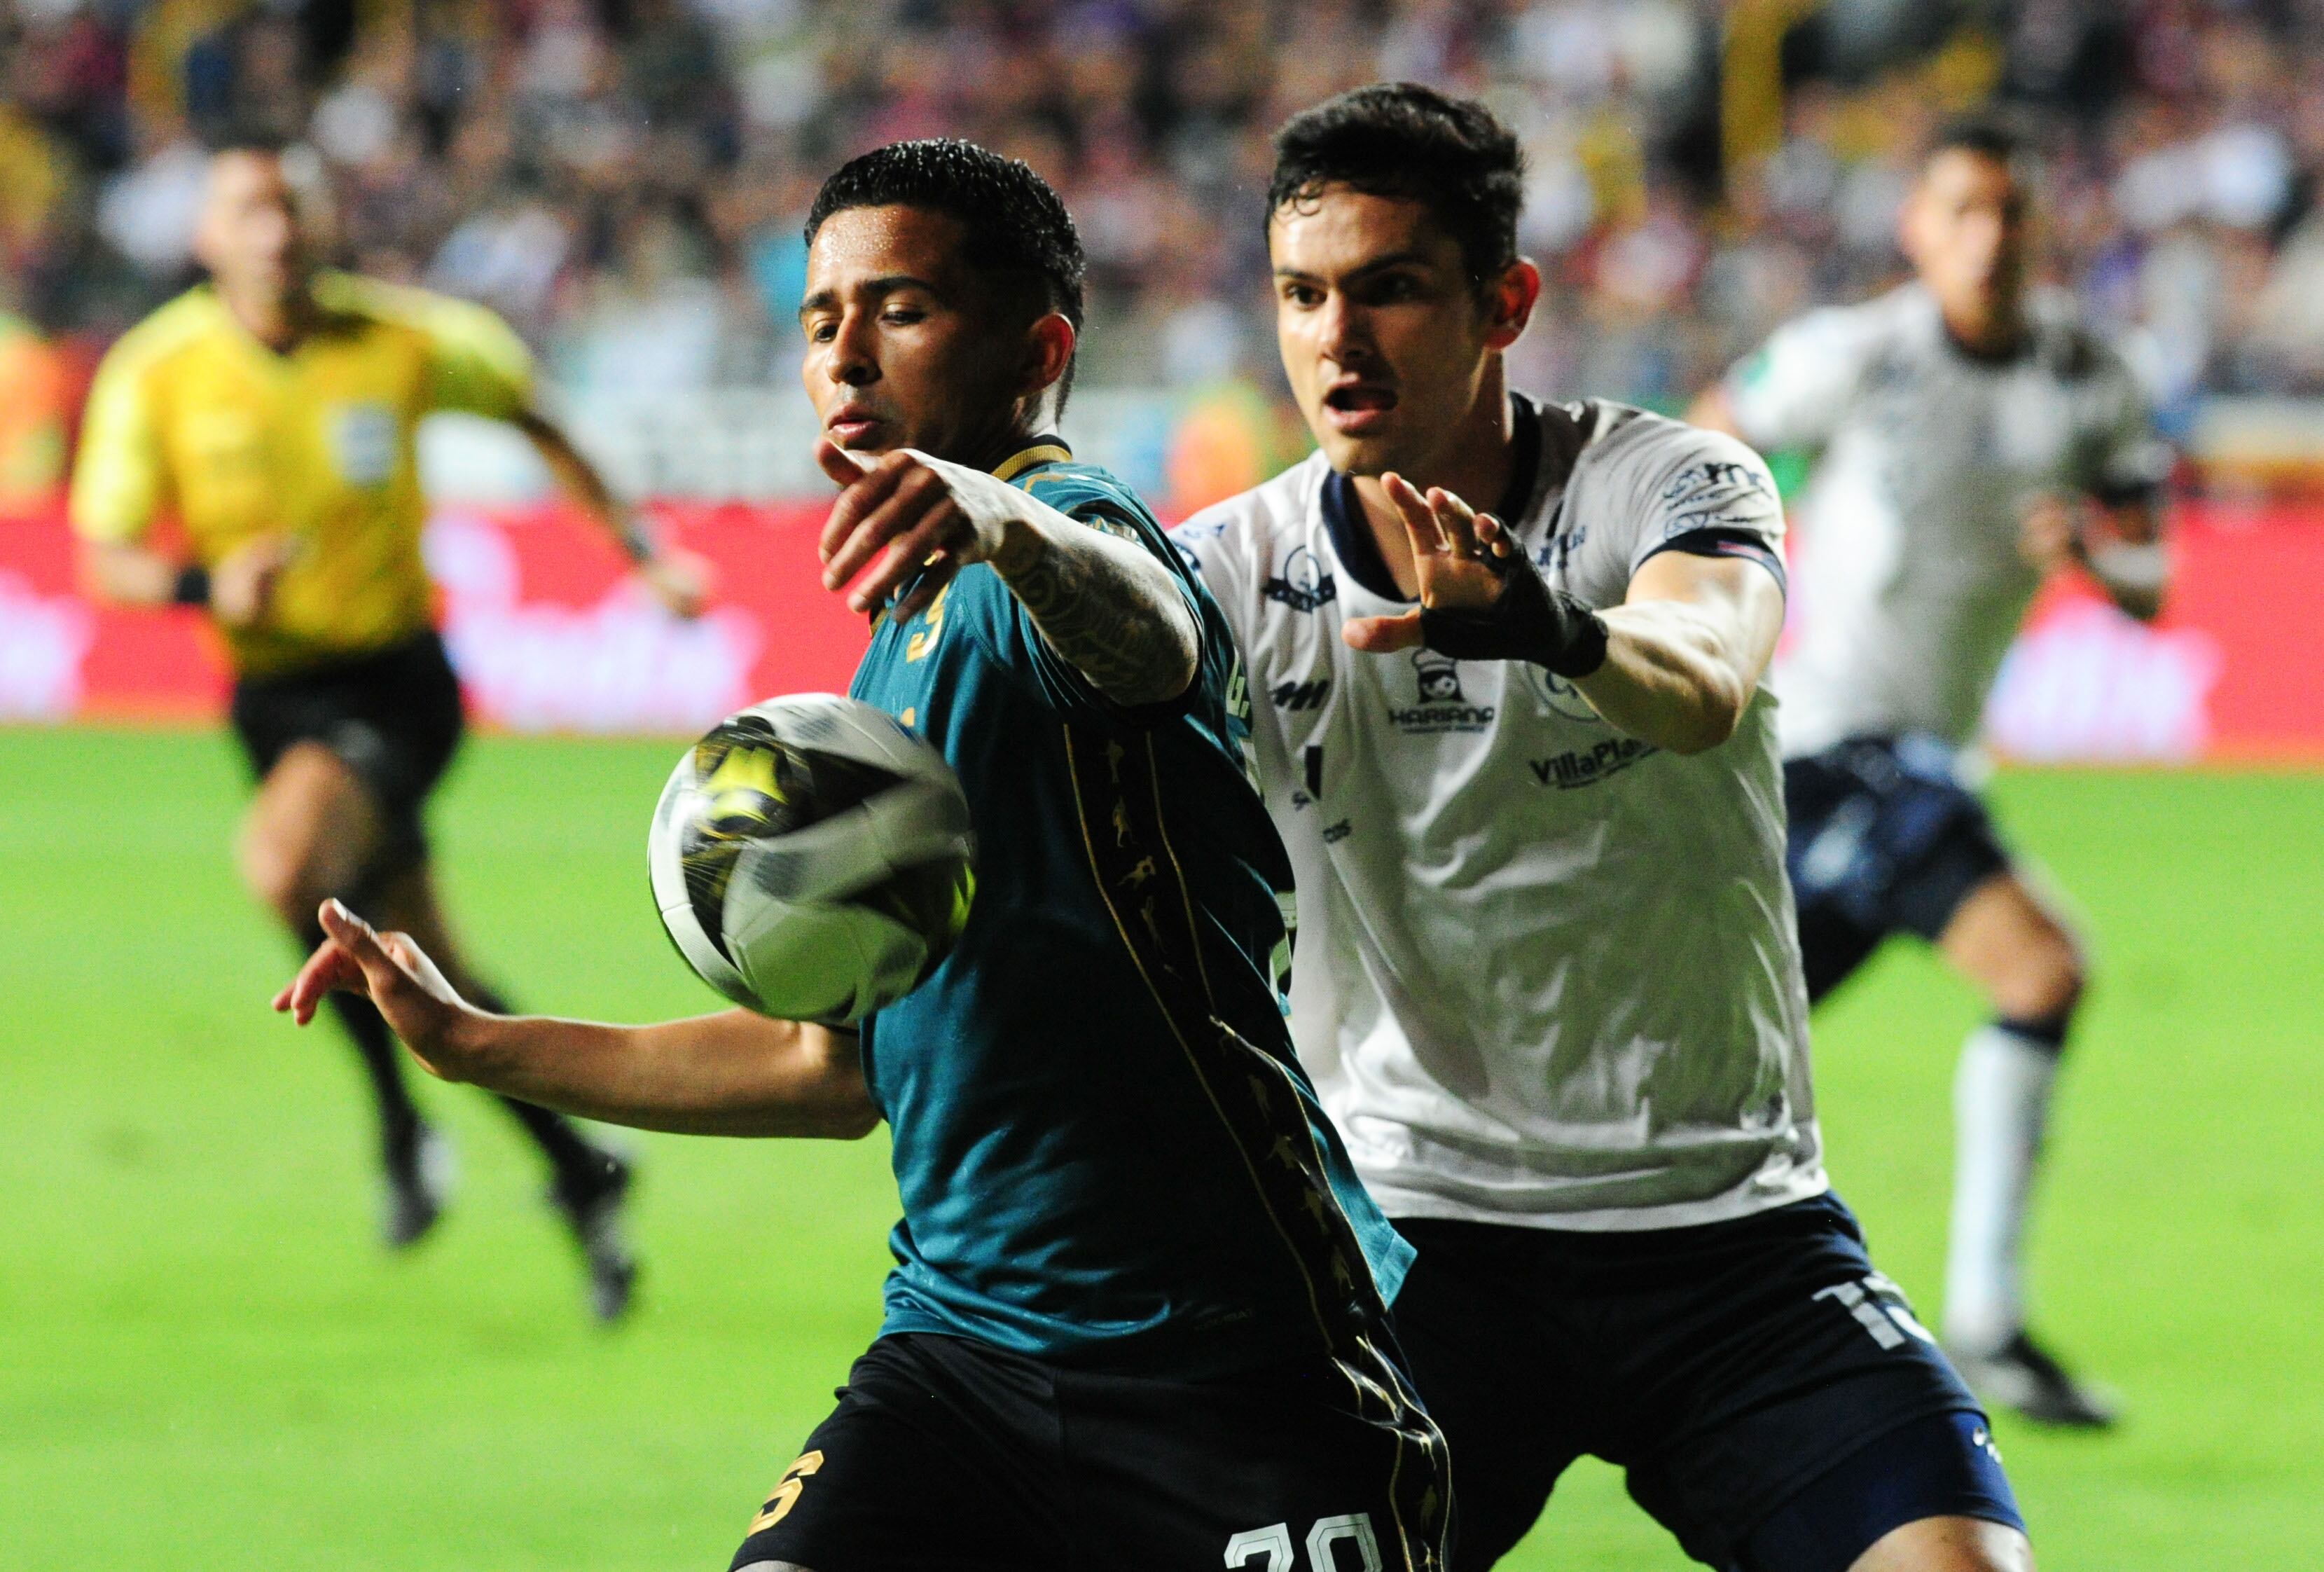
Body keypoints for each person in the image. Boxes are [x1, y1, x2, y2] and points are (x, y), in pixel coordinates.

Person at [277, 139, 1448, 1572]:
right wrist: (482, 1046)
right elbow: (829, 1069)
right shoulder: (890, 651)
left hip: (1234, 1360)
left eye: (899, 311)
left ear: (1038, 350)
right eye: (821, 320)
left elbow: (1156, 637)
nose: (844, 356)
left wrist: (1003, 517)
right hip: (961, 1358)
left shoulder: (1066, 544)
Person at [1175, 85, 2028, 1572]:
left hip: (1734, 1234)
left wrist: (1553, 629)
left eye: (1390, 288)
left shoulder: (1674, 483)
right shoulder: (1228, 569)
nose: (1337, 335)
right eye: (1304, 295)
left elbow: (1700, 680)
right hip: (1419, 1241)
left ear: (1506, 301)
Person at [72, 135, 708, 1318]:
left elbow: (539, 417)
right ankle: (584, 1173)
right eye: (250, 211)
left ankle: (402, 1129)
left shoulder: (409, 341)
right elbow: (103, 556)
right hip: (269, 698)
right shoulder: (156, 372)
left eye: (293, 208)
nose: (275, 231)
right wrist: (208, 590)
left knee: (280, 864)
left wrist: (641, 554)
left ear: (325, 225)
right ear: (208, 238)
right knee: (431, 970)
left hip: (394, 688)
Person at [1689, 113, 2171, 1428]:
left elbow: (2149, 579)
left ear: (2038, 228)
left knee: (1718, 1054)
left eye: (2011, 214)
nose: (1989, 238)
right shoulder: (1858, 356)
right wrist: (1711, 577)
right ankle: (1985, 1324)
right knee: (2039, 967)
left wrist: (2085, 550)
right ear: (1918, 228)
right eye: (1962, 212)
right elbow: (1702, 440)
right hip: (1824, 739)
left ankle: (1595, 1280)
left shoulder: (2088, 377)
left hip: (1922, 758)